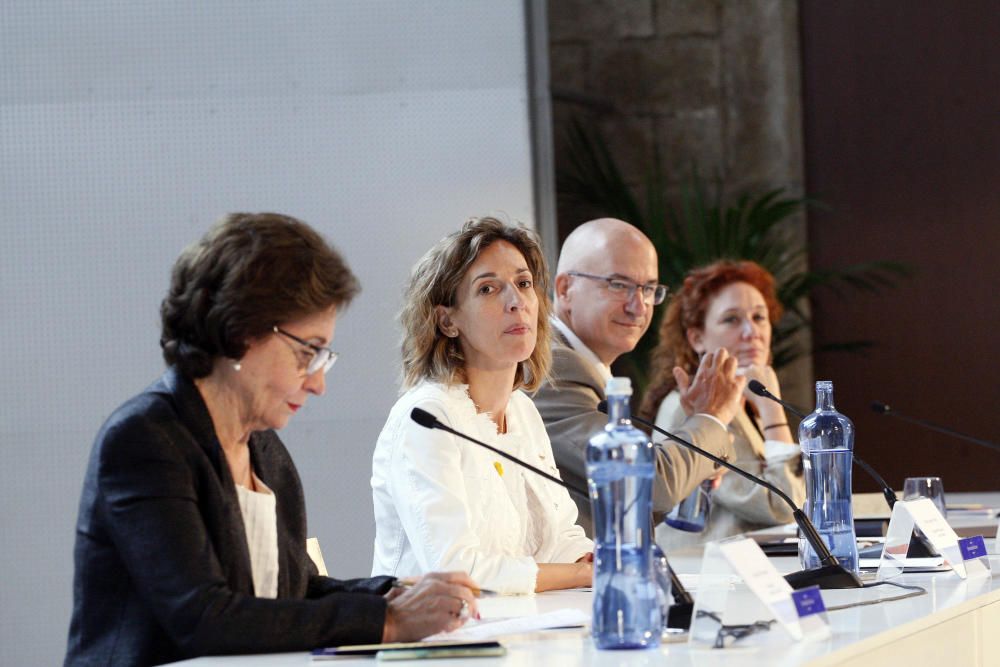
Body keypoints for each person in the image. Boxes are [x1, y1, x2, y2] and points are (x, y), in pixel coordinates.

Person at [65, 213, 478, 666]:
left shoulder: (265, 448)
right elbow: (204, 618)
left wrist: (394, 591)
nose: (318, 383)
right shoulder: (145, 441)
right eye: (307, 353)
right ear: (242, 331)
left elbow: (294, 590)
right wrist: (387, 620)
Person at [371, 217, 594, 595]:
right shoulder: (426, 418)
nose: (516, 302)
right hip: (437, 642)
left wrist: (602, 561)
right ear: (447, 320)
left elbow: (560, 537)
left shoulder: (522, 411)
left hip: (522, 630)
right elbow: (457, 571)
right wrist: (580, 575)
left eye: (524, 284)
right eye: (489, 289)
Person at [532, 218, 745, 534]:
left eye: (648, 289)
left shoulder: (585, 364)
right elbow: (650, 485)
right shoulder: (552, 367)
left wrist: (699, 434)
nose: (639, 306)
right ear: (565, 289)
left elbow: (632, 504)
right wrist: (710, 420)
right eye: (618, 285)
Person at [639, 260, 804, 548]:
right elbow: (783, 507)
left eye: (759, 317)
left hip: (745, 575)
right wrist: (772, 410)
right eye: (732, 319)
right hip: (702, 580)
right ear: (697, 338)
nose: (751, 332)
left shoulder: (742, 407)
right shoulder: (691, 409)